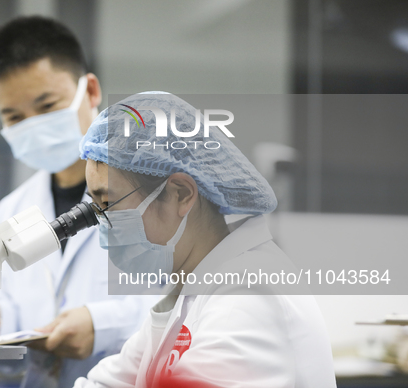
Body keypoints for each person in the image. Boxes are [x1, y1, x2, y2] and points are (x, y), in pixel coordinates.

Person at [73, 92, 337, 387]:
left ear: (181, 194)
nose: (102, 223)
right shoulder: (189, 293)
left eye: (108, 204)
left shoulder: (248, 295)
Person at [0, 17, 158, 388]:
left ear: (90, 91)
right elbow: (15, 304)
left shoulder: (154, 196)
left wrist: (103, 324)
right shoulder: (10, 211)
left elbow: (191, 304)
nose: (35, 126)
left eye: (47, 106)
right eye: (14, 117)